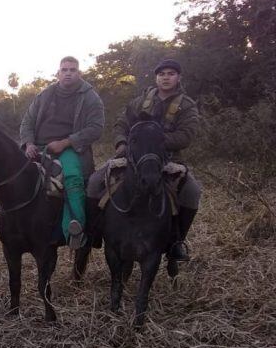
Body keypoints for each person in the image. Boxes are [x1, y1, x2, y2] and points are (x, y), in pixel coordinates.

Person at [0, 56, 104, 249]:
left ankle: (74, 230)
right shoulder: (45, 95)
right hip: (38, 146)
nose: (68, 73)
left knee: (73, 179)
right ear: (58, 73)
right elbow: (27, 122)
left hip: (69, 149)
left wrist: (66, 142)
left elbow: (96, 128)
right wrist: (28, 143)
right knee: (12, 176)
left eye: (72, 70)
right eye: (64, 69)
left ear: (79, 73)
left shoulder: (90, 97)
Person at [86, 58, 202, 262]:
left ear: (178, 77)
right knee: (95, 181)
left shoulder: (186, 105)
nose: (166, 78)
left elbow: (186, 135)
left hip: (167, 159)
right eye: (162, 74)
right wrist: (122, 143)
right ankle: (93, 233)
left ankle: (176, 242)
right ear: (156, 77)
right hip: (133, 157)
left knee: (192, 191)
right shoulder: (140, 101)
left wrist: (154, 141)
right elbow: (121, 124)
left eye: (170, 74)